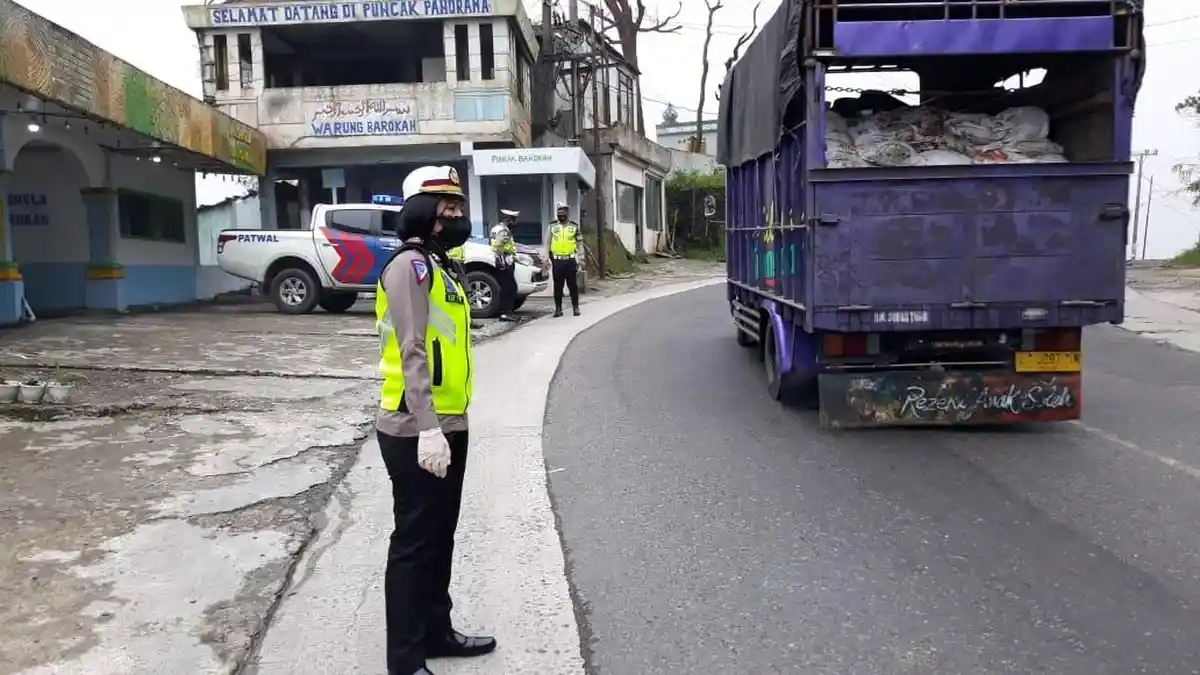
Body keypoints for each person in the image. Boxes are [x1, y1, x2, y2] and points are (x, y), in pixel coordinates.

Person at [375, 165, 496, 675]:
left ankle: (436, 631)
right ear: (421, 211)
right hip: (414, 427)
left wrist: (446, 423)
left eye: (459, 205)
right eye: (446, 206)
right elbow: (412, 352)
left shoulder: (439, 265)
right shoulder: (409, 266)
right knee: (414, 543)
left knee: (440, 536)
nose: (456, 213)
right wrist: (427, 426)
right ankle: (405, 659)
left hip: (449, 422)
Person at [546, 202, 582, 317]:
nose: (561, 214)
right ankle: (558, 309)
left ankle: (575, 307)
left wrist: (581, 259)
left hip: (570, 260)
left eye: (563, 212)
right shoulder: (552, 226)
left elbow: (580, 244)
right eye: (559, 212)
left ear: (567, 212)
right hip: (557, 261)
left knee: (573, 285)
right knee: (558, 286)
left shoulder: (574, 226)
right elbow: (547, 243)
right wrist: (546, 259)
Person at [444, 243, 483, 330]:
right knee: (460, 292)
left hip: (458, 262)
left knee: (465, 292)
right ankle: (465, 321)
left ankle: (467, 320)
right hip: (452, 261)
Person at [490, 208, 520, 322]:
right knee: (509, 288)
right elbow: (498, 246)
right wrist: (504, 260)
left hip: (500, 260)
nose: (515, 223)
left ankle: (506, 312)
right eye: (513, 220)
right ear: (508, 220)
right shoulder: (503, 231)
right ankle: (505, 313)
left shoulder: (495, 228)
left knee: (507, 287)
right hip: (505, 261)